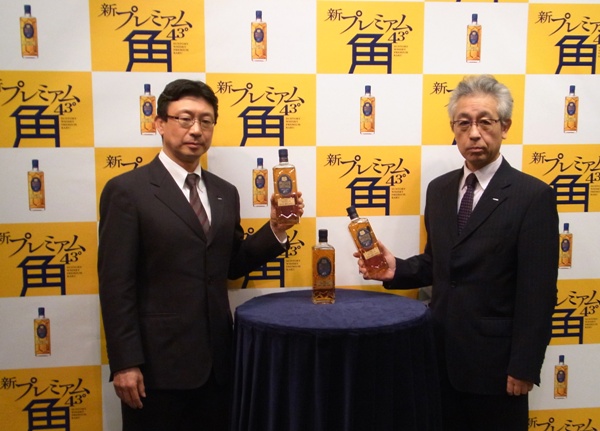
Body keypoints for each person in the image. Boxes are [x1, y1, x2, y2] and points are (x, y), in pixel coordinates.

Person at [354, 74, 558, 430]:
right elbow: (440, 264)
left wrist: (524, 366)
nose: (474, 133)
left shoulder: (532, 197)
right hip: (438, 356)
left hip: (497, 368)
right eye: (464, 123)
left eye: (485, 122)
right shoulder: (440, 190)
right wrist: (395, 269)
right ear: (453, 129)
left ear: (505, 126)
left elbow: (538, 294)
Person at [98, 79, 303, 431]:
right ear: (159, 124)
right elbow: (116, 285)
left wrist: (276, 228)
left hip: (219, 364)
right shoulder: (127, 191)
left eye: (206, 121)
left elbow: (230, 265)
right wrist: (125, 362)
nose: (196, 130)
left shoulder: (225, 192)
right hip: (156, 368)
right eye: (185, 118)